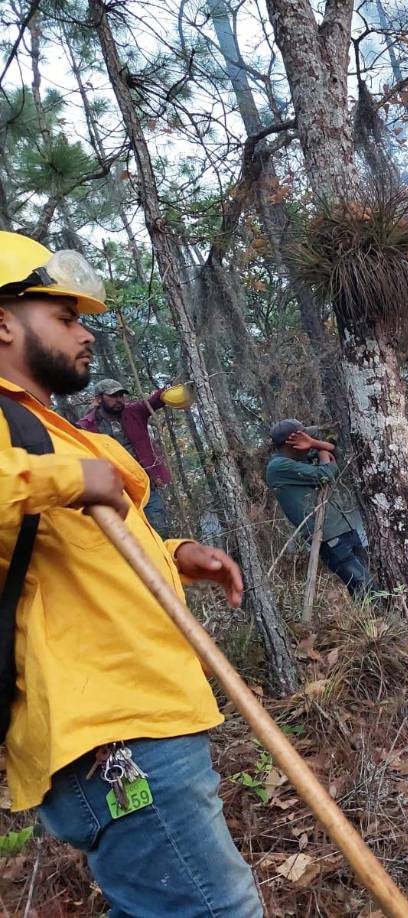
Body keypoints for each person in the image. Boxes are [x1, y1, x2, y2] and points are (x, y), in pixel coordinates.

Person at [0, 230, 262, 915]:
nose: (86, 333)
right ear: (3, 322)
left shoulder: (51, 430)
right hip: (109, 728)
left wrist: (174, 554)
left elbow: (68, 552)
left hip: (138, 711)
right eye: (65, 316)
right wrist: (66, 476)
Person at [265, 418, 371, 598]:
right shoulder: (278, 467)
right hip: (328, 536)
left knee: (364, 584)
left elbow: (336, 453)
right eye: (305, 437)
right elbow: (325, 475)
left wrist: (315, 444)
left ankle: (372, 615)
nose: (309, 441)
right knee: (364, 586)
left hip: (344, 528)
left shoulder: (300, 459)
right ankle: (378, 616)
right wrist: (323, 456)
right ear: (292, 442)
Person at [77, 377, 186, 537]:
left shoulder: (134, 412)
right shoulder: (86, 427)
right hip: (116, 491)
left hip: (145, 484)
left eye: (121, 395)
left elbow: (154, 401)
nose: (119, 400)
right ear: (99, 399)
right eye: (113, 396)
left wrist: (170, 386)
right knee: (131, 535)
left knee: (159, 530)